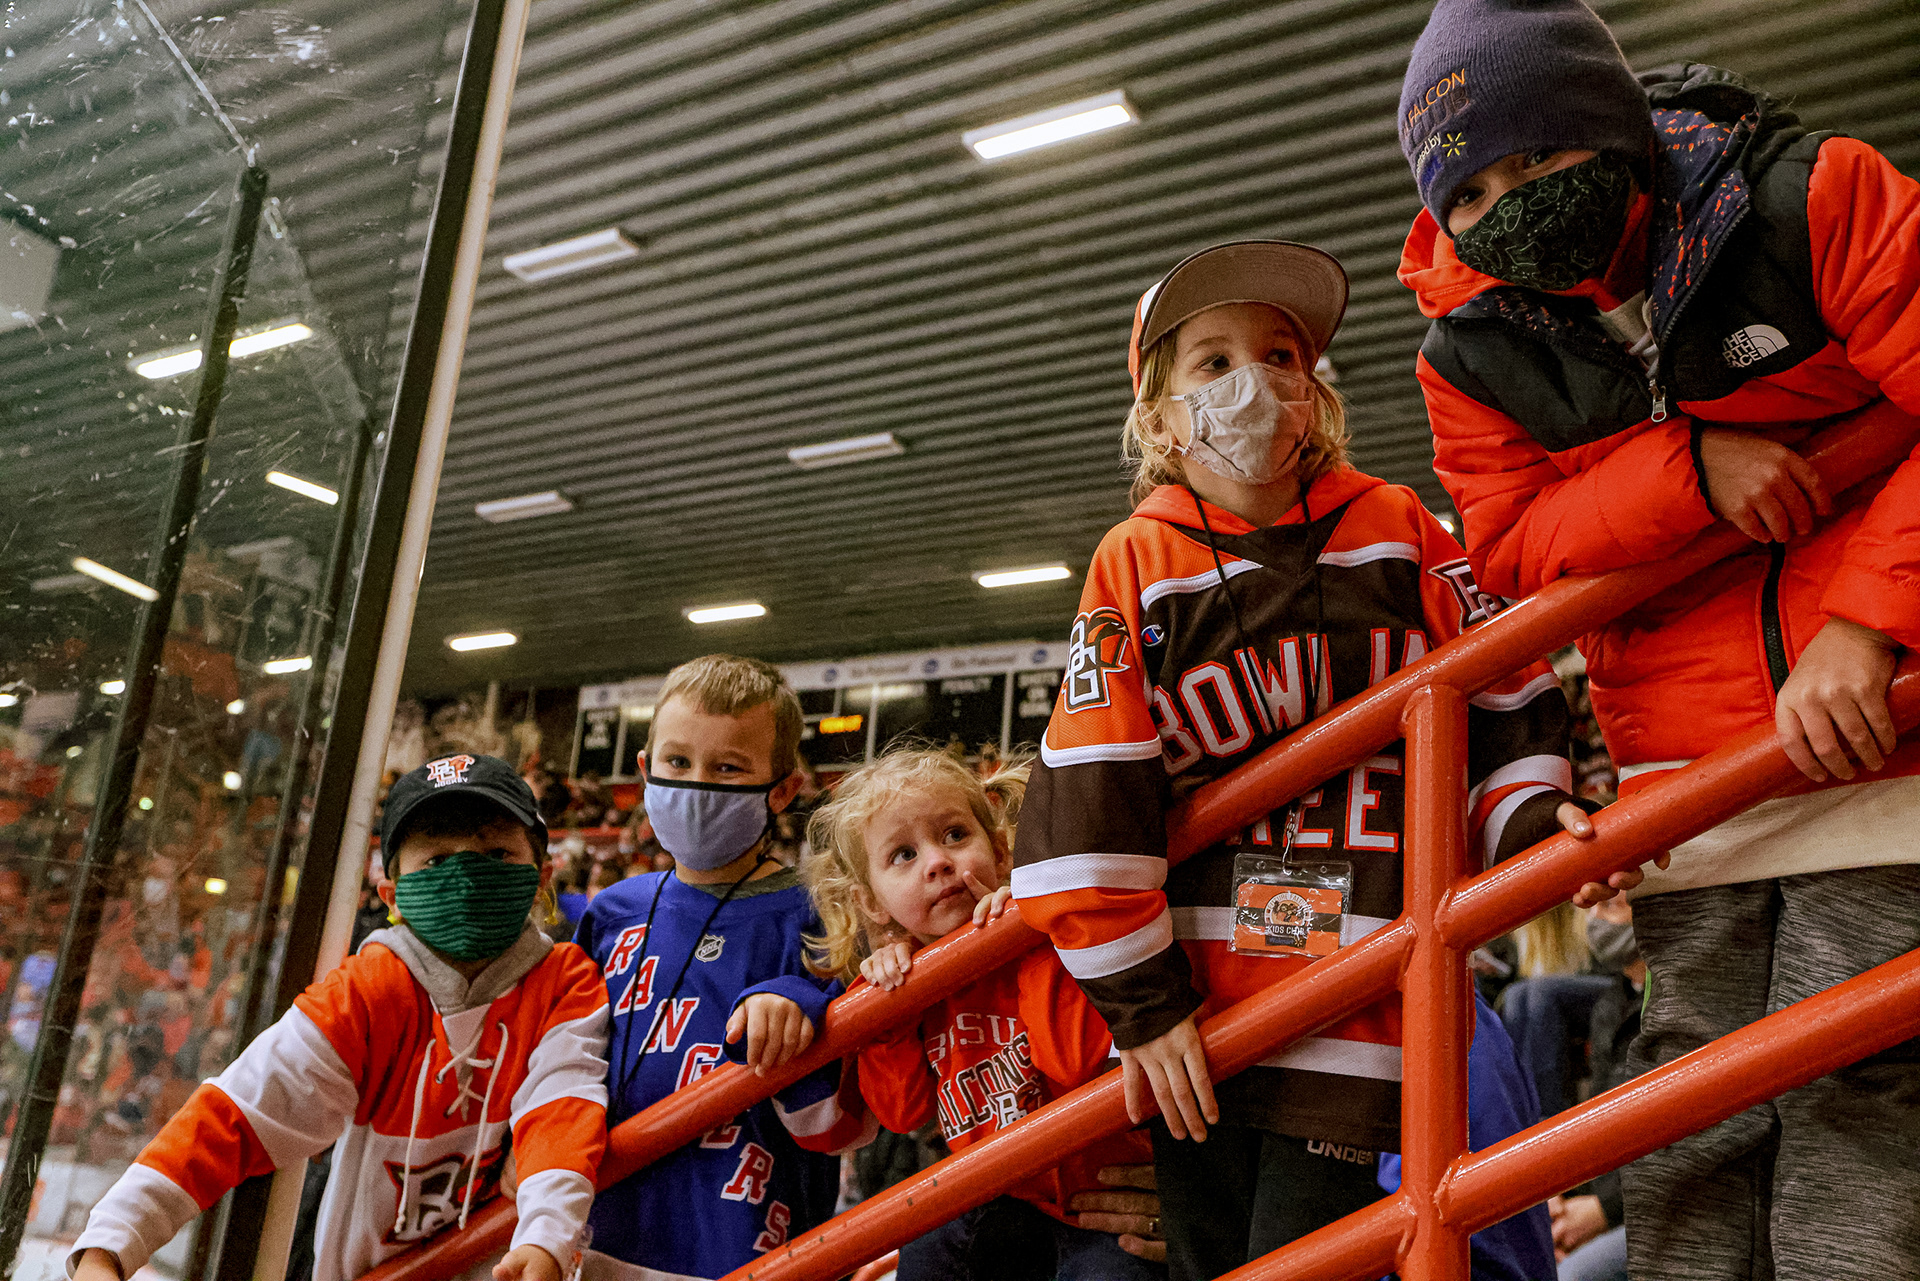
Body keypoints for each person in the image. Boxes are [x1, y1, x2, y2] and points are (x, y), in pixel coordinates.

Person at [1395, 1, 1920, 1274]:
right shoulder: (1470, 348)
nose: (1503, 208)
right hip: (1685, 781)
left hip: (1878, 742)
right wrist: (1690, 469)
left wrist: (1871, 621)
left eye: (1533, 162)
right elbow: (1510, 541)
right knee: (1687, 1109)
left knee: (1857, 1092)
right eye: (1465, 193)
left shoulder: (1813, 199)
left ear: (1609, 126)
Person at [1009, 240, 1602, 1278]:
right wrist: (1144, 1006)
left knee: (1306, 1261)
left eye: (1281, 353)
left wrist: (1524, 823)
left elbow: (1506, 691)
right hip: (1197, 1015)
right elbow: (1089, 784)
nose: (1254, 378)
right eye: (1213, 360)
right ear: (1156, 417)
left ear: (1313, 393)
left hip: (1359, 996)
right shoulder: (1135, 561)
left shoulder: (1398, 527)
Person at [69, 754, 610, 1281]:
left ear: (542, 877)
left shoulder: (565, 981)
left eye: (496, 853)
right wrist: (112, 1242)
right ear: (393, 895)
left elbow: (564, 1108)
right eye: (437, 860)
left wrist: (547, 1239)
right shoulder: (367, 988)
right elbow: (240, 1110)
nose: (467, 874)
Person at [802, 748, 1163, 1281]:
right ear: (873, 903)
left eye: (954, 835)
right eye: (903, 855)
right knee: (925, 1246)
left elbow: (1073, 1062)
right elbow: (903, 1113)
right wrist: (888, 1007)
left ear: (999, 851)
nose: (937, 861)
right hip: (1004, 1198)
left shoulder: (1049, 933)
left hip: (1107, 1201)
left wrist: (1025, 938)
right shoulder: (906, 981)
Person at [575, 655, 871, 1281]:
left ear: (783, 789)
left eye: (728, 767)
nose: (696, 784)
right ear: (644, 772)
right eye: (677, 763)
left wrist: (804, 1006)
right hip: (592, 1237)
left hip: (740, 1247)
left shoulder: (820, 916)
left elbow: (843, 1125)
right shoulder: (610, 913)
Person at [1548, 899, 1642, 1281]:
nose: (1594, 921)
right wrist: (1557, 1191)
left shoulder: (1678, 1002)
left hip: (1656, 1207)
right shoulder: (1610, 1004)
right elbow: (1595, 1122)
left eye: (1611, 905)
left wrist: (1604, 1209)